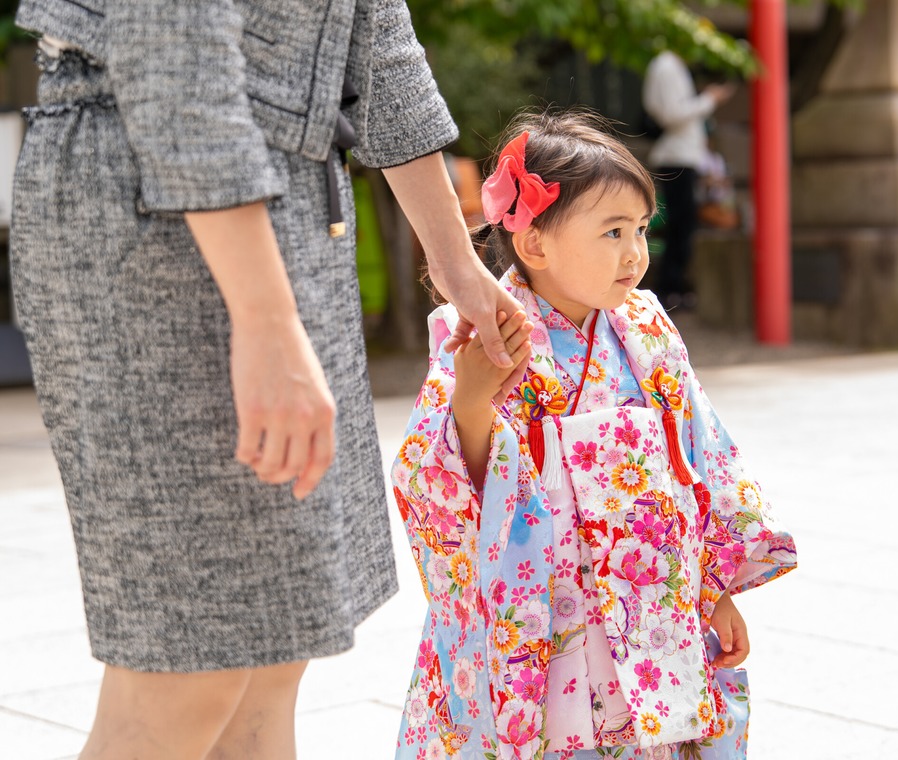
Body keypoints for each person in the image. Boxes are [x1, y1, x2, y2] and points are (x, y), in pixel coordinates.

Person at [9, 1, 521, 758]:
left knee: (275, 653)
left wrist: (455, 260)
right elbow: (173, 52)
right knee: (191, 662)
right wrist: (266, 322)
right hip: (154, 189)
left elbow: (378, 37)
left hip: (290, 197)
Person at [391, 110, 797, 759]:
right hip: (547, 607)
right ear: (535, 244)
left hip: (653, 598)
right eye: (612, 231)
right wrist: (470, 399)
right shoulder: (480, 332)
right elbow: (435, 479)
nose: (635, 252)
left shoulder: (648, 329)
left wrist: (713, 588)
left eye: (641, 229)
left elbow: (702, 456)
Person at [642, 50, 735, 307]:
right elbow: (672, 114)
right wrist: (709, 99)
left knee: (684, 225)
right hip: (676, 158)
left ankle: (675, 284)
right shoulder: (666, 65)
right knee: (680, 225)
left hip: (683, 157)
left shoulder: (670, 65)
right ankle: (670, 287)